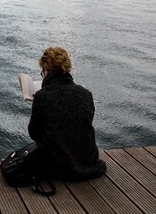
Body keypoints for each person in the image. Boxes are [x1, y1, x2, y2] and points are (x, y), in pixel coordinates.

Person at [28, 46, 106, 180]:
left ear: (46, 71)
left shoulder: (42, 96)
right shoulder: (86, 94)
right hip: (87, 163)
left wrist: (39, 106)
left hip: (59, 167)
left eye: (43, 71)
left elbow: (34, 134)